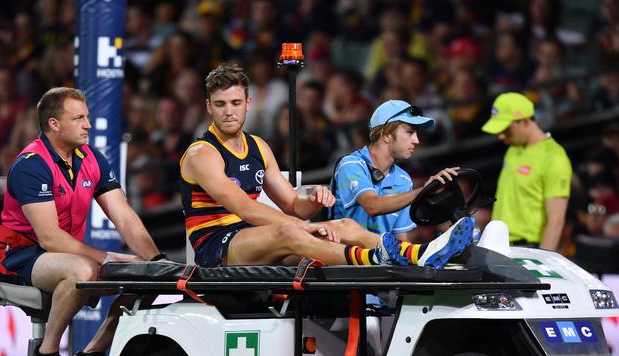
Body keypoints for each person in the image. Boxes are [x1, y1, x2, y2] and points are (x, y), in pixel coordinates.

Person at [179, 64, 474, 270]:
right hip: (218, 248)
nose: (229, 111)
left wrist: (313, 202)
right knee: (290, 233)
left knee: (345, 226)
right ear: (208, 106)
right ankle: (375, 259)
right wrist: (308, 227)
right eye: (220, 104)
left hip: (256, 239)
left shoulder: (258, 146)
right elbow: (245, 208)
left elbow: (292, 204)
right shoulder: (201, 153)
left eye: (235, 102)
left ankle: (420, 254)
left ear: (248, 102)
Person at [0, 87, 164, 356]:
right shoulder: (31, 165)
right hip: (19, 256)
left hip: (63, 254)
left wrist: (156, 260)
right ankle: (45, 355)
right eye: (79, 118)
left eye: (88, 117)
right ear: (54, 125)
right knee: (82, 269)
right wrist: (108, 257)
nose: (88, 125)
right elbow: (50, 239)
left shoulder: (91, 157)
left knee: (149, 274)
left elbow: (122, 214)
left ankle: (92, 353)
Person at [330, 99, 460, 241]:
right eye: (409, 132)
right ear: (386, 135)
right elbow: (372, 206)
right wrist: (423, 190)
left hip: (380, 259)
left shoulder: (403, 179)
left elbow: (400, 240)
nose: (416, 140)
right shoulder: (350, 164)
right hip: (345, 260)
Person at [481, 92, 572, 251]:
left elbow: (556, 221)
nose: (501, 136)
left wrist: (543, 261)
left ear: (524, 121)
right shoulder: (513, 149)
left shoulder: (554, 157)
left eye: (506, 129)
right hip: (499, 245)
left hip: (528, 250)